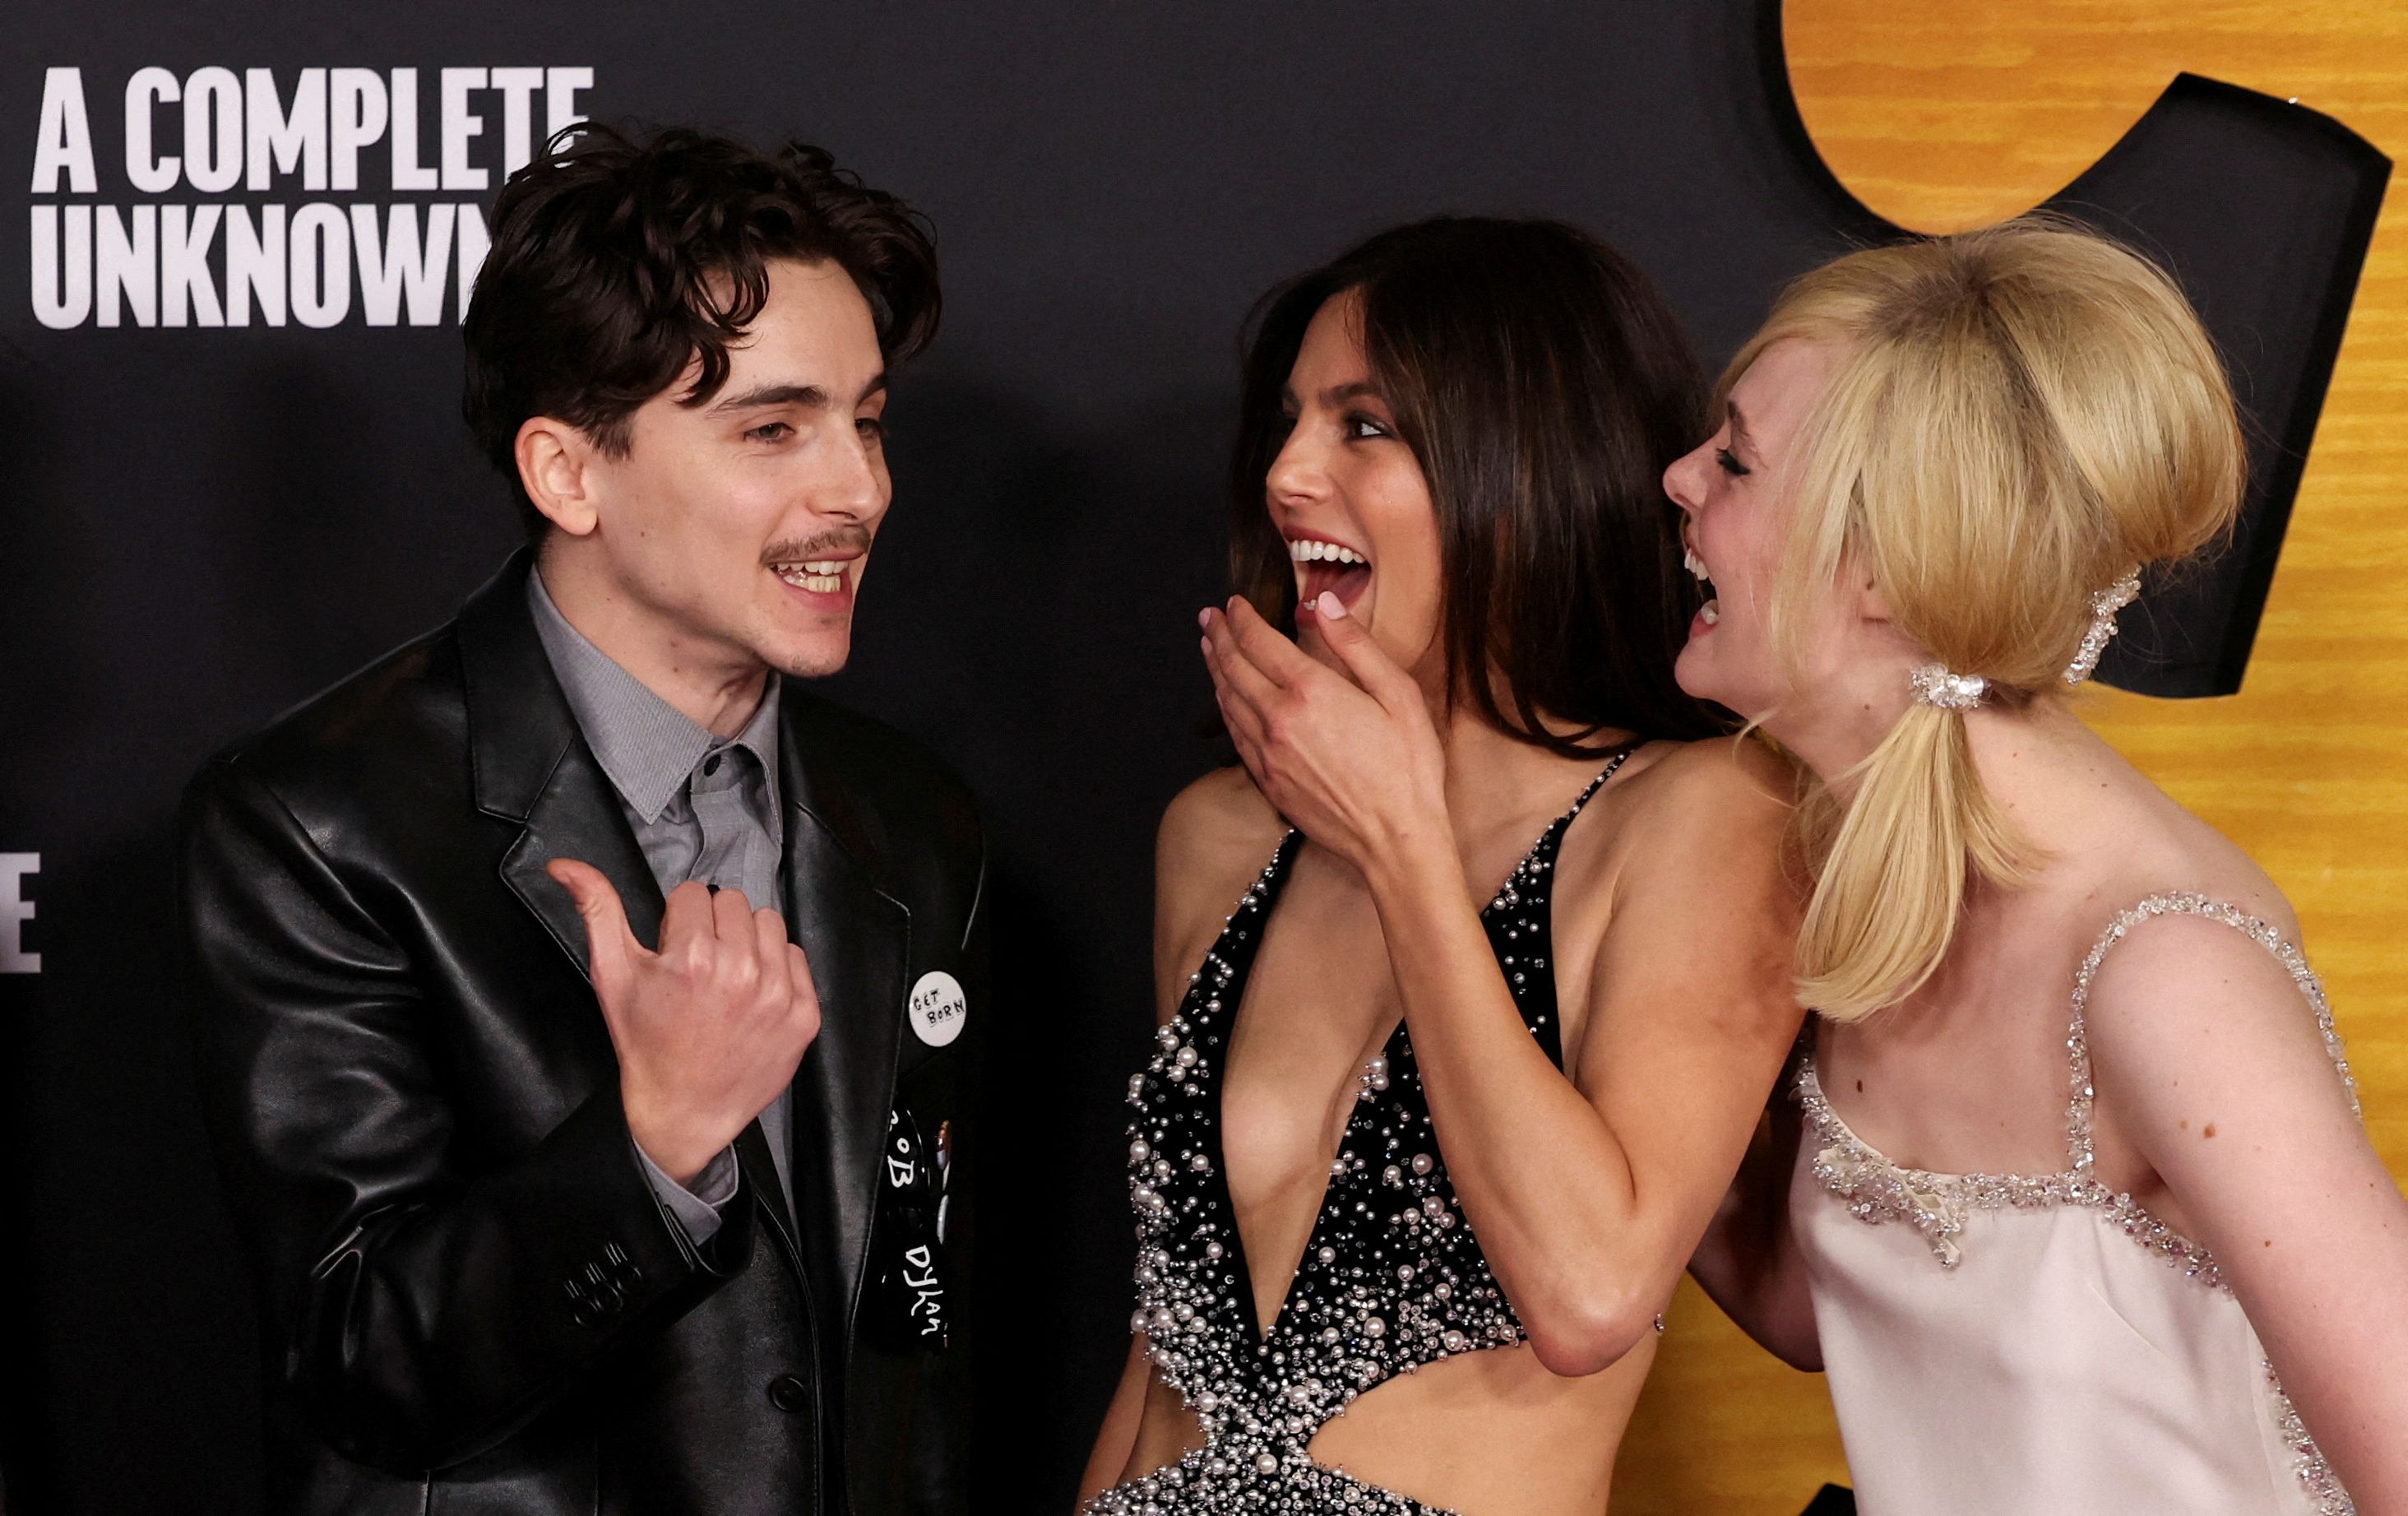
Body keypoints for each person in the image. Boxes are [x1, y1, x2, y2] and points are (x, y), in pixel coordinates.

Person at [178, 124, 979, 1516]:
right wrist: (653, 1144)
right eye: (773, 428)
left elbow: (910, 1301)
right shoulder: (320, 825)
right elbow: (362, 1363)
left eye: (868, 418)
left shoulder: (909, 817)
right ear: (569, 473)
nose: (859, 488)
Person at [1677, 216, 2408, 1514]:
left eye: (1734, 460)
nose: (1679, 479)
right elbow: (1858, 1313)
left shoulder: (2163, 971)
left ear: (1886, 574)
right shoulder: (1877, 873)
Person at [1077, 217, 1807, 1515]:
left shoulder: (1701, 819)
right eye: (1290, 422)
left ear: (1525, 465)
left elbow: (1590, 1292)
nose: (1289, 473)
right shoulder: (1220, 836)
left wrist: (1407, 848)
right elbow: (1160, 1354)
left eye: (1365, 427)